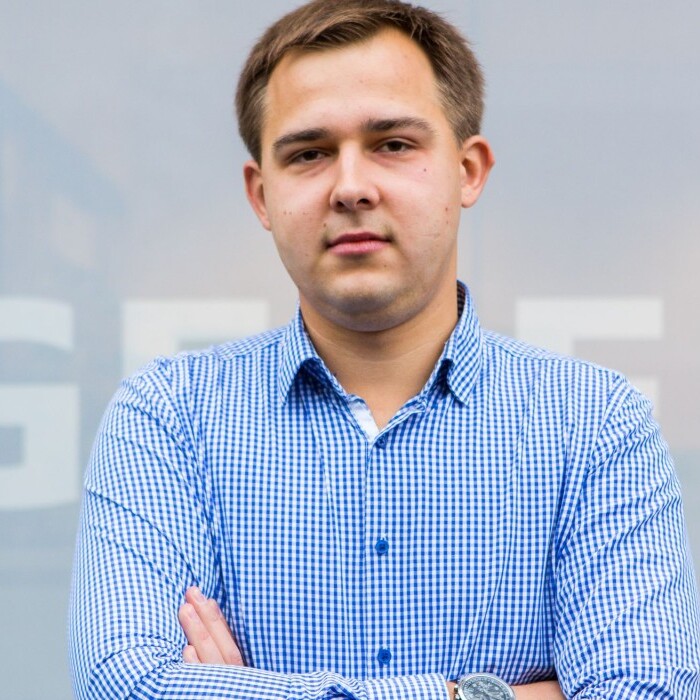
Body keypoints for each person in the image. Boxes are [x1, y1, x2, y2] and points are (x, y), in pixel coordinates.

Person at [68, 1, 700, 698]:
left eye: (393, 144)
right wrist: (485, 695)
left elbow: (646, 692)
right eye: (308, 154)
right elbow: (123, 684)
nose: (350, 187)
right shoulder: (169, 418)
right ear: (261, 194)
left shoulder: (595, 424)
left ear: (468, 170)